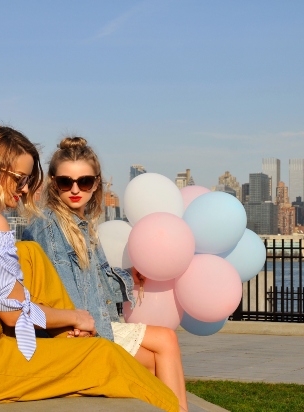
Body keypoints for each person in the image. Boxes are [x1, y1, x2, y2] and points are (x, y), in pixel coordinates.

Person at [0, 125, 178, 411]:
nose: (24, 189)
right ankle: (173, 407)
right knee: (104, 357)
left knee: (30, 254)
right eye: (20, 179)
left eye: (29, 180)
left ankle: (70, 339)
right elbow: (13, 314)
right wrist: (76, 316)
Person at [22, 136, 188, 411]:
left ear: (97, 182)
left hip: (93, 321)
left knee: (167, 341)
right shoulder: (49, 227)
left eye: (84, 181)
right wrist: (83, 329)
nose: (75, 189)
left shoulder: (81, 224)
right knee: (157, 358)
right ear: (53, 182)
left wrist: (129, 275)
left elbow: (93, 282)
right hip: (77, 334)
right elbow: (62, 293)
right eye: (66, 182)